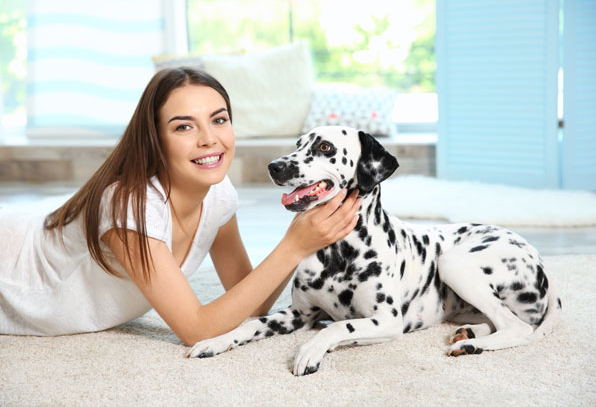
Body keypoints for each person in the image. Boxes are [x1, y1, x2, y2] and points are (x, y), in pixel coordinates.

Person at [0, 67, 361, 345]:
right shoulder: (131, 208)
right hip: (13, 274)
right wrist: (294, 245)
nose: (209, 139)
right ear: (155, 139)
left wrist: (303, 236)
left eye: (219, 120)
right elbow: (197, 329)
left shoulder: (218, 194)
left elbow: (250, 303)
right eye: (184, 127)